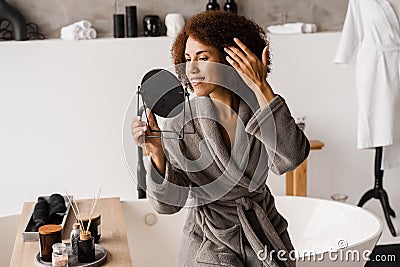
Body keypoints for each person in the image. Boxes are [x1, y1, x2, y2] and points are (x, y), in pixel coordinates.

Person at [131, 10, 310, 267]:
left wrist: (261, 87)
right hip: (209, 242)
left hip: (263, 233)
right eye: (187, 58)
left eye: (203, 58)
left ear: (229, 61)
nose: (191, 69)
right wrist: (157, 153)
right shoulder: (179, 122)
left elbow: (290, 159)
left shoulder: (259, 108)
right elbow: (167, 206)